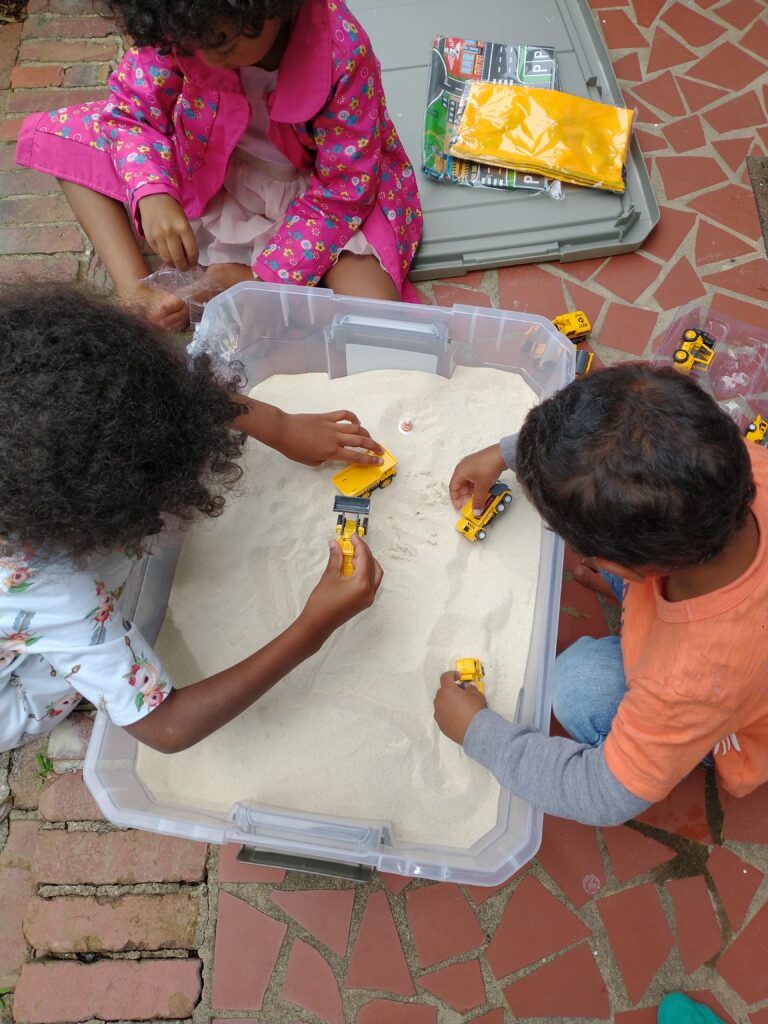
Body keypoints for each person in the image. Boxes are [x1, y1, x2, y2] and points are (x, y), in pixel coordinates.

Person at [0, 286, 383, 756]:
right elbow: (167, 727)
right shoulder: (57, 592)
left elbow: (155, 389)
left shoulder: (30, 384)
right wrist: (313, 626)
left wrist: (280, 425)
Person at [434, 362, 768, 825]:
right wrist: (510, 454)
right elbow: (621, 434)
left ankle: (699, 751)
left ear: (628, 567)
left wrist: (478, 733)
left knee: (576, 686)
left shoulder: (684, 684)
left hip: (730, 705)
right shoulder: (735, 461)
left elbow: (601, 794)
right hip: (730, 616)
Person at [15, 0, 422, 331]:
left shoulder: (342, 48)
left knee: (375, 314)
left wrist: (264, 279)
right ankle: (136, 293)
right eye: (193, 47)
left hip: (316, 196)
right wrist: (152, 192)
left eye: (224, 44)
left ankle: (244, 283)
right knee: (68, 138)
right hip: (210, 165)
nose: (208, 59)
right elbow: (130, 114)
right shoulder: (186, 23)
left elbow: (344, 191)